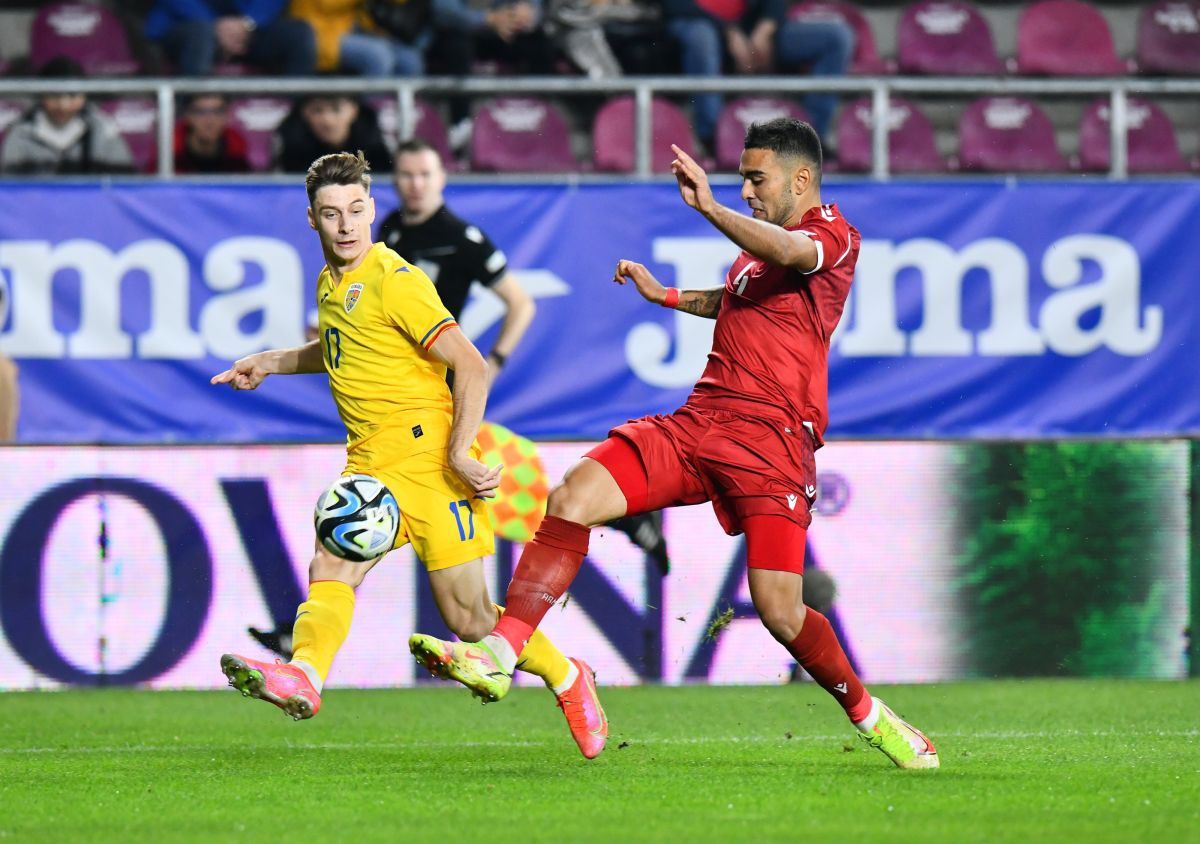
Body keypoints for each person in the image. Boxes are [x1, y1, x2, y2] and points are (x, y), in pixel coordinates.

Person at [409, 119, 939, 770]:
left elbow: (792, 256)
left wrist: (710, 206)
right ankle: (499, 656)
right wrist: (665, 294)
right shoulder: (759, 253)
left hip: (771, 441)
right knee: (574, 494)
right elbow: (739, 298)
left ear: (801, 179)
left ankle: (873, 716)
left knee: (779, 609)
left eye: (755, 178)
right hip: (703, 419)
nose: (745, 190)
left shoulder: (833, 236)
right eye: (741, 179)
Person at [214, 150, 608, 759]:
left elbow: (471, 364)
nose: (345, 225)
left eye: (354, 211)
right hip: (371, 466)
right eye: (329, 214)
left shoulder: (397, 280)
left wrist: (457, 453)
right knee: (331, 562)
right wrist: (271, 361)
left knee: (472, 620)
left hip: (430, 466)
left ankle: (567, 677)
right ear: (311, 220)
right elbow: (342, 349)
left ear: (372, 209)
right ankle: (305, 676)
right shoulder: (332, 283)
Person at [247, 137, 667, 658]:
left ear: (439, 179)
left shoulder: (458, 238)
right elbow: (349, 336)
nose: (415, 185)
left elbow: (520, 303)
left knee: (503, 496)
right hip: (401, 409)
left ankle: (619, 515)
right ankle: (307, 648)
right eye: (407, 175)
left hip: (446, 394)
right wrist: (273, 360)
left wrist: (495, 362)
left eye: (425, 174)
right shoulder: (384, 237)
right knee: (466, 523)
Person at [662, 0, 853, 149]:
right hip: (699, 29)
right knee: (702, 37)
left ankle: (811, 137)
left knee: (836, 37)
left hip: (751, 33)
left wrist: (766, 28)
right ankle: (711, 137)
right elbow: (675, 6)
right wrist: (728, 31)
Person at [0, 57, 134, 176]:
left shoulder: (102, 129)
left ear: (84, 96)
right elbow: (10, 190)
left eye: (72, 95)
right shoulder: (21, 131)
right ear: (41, 95)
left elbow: (125, 182)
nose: (63, 106)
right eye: (54, 95)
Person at [145, 0, 317, 77]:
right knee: (201, 35)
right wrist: (215, 26)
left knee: (300, 33)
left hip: (249, 29)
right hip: (185, 26)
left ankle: (298, 118)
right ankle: (193, 118)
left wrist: (248, 22)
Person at [275, 93, 392, 174]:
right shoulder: (293, 146)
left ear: (354, 110)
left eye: (336, 109)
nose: (327, 120)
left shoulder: (374, 147)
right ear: (304, 113)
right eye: (317, 110)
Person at [173, 94, 251, 174]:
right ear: (187, 115)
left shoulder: (237, 148)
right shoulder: (171, 148)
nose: (210, 121)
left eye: (217, 112)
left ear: (227, 116)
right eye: (200, 112)